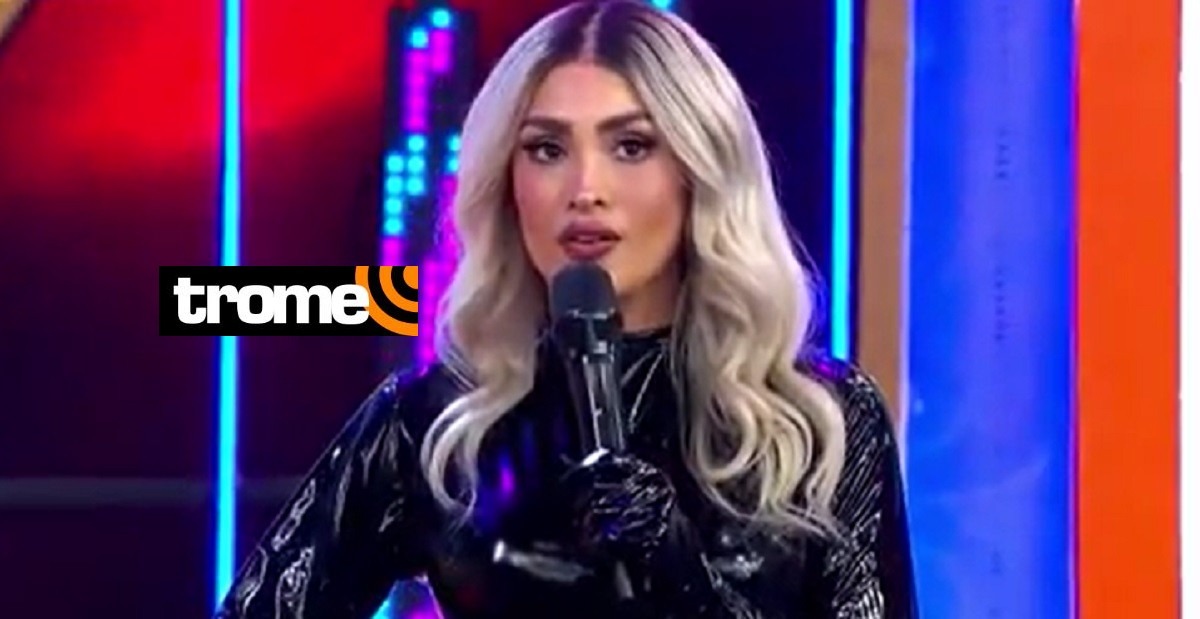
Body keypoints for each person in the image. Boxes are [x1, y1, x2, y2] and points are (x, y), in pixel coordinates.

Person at [214, 1, 918, 617]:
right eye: (547, 149)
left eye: (631, 146)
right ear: (507, 181)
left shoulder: (820, 423)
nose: (585, 187)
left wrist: (683, 580)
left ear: (699, 172)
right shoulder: (436, 427)